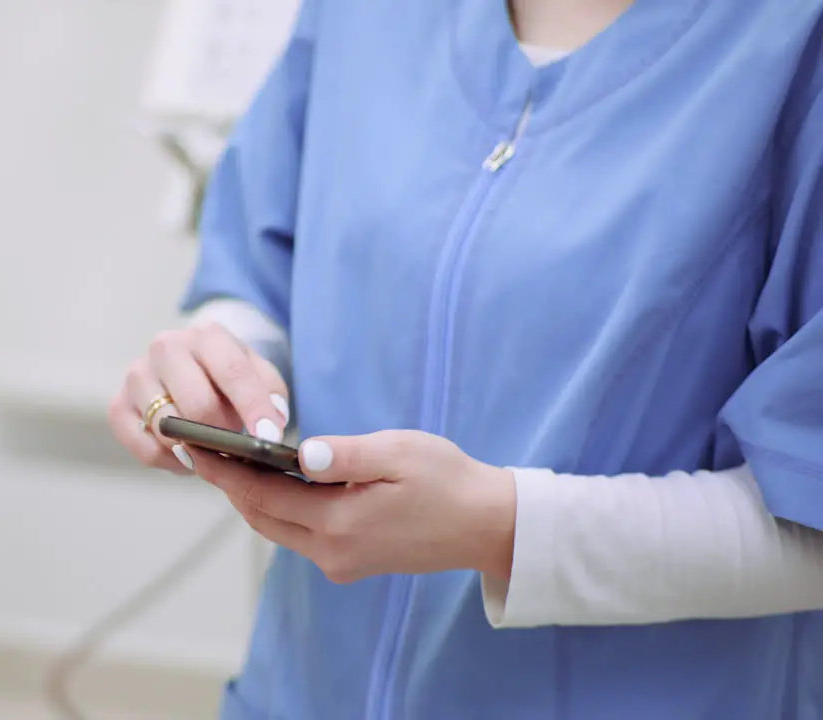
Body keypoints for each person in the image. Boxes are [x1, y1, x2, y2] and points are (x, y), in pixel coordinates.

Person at [108, 0, 823, 717]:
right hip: (299, 689)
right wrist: (217, 366)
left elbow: (810, 514)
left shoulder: (793, 44)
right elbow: (266, 262)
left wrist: (506, 527)